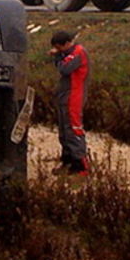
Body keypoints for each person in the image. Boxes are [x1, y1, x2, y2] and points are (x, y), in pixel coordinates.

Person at [48, 31, 90, 176]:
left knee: (74, 130)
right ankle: (68, 161)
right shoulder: (67, 54)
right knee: (64, 131)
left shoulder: (78, 53)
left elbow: (64, 69)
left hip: (74, 97)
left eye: (59, 48)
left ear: (66, 44)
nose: (57, 51)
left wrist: (58, 56)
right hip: (64, 96)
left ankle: (81, 165)